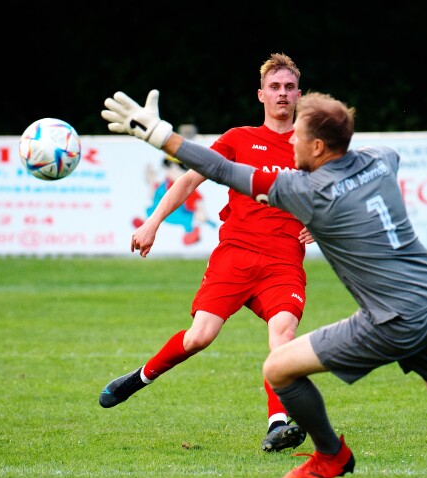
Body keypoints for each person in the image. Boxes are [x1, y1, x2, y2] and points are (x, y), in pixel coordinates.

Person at [101, 88, 427, 478]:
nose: (292, 147)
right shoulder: (379, 161)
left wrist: (160, 136)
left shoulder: (308, 192)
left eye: (300, 140)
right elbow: (386, 158)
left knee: (279, 368)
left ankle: (330, 455)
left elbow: (224, 172)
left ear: (320, 146)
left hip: (392, 317)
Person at [99, 53, 314, 454]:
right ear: (261, 95)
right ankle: (140, 377)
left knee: (283, 336)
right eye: (275, 87)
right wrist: (152, 223)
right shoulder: (237, 139)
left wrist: (318, 224)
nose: (282, 94)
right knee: (200, 337)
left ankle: (277, 423)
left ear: (299, 95)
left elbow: (332, 197)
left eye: (289, 88)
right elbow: (188, 181)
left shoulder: (311, 145)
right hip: (235, 254)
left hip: (283, 262)